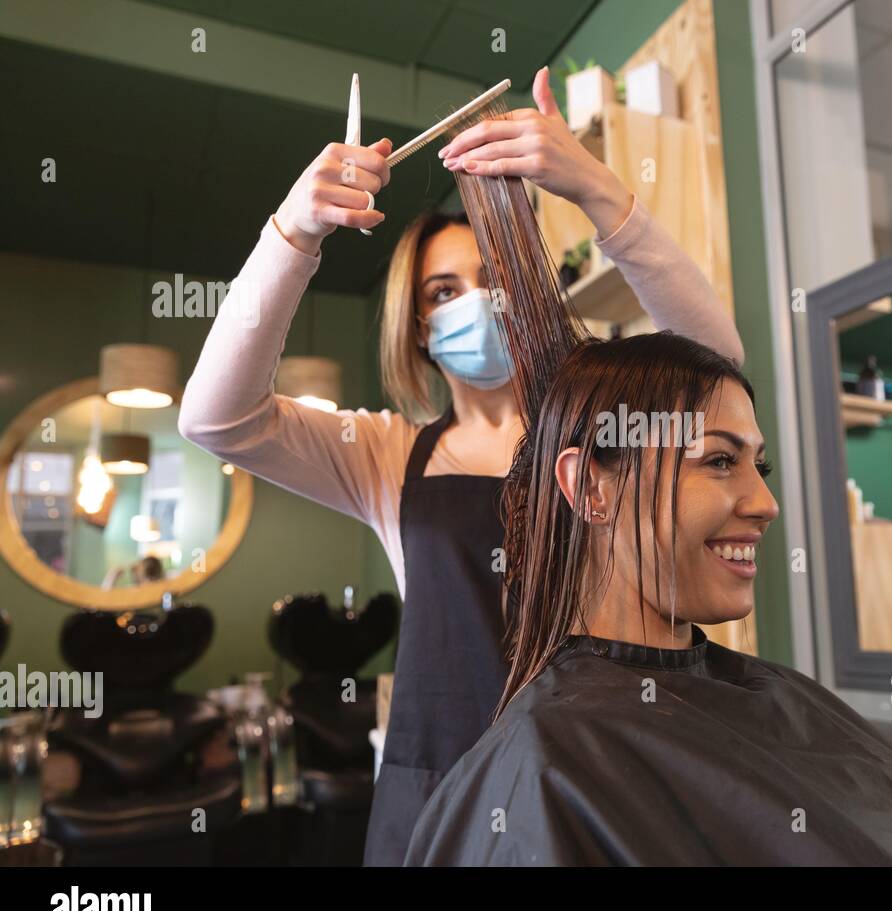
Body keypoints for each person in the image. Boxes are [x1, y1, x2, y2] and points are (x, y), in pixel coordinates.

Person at [178, 66, 742, 865]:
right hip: (430, 788)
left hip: (587, 775)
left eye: (492, 280)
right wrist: (294, 235)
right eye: (443, 290)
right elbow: (213, 417)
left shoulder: (609, 427)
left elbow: (718, 368)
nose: (472, 304)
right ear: (415, 325)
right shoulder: (380, 454)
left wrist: (597, 189)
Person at [404, 332, 892, 866]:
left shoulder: (775, 698)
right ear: (592, 487)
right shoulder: (544, 767)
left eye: (756, 467)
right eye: (717, 461)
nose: (765, 504)